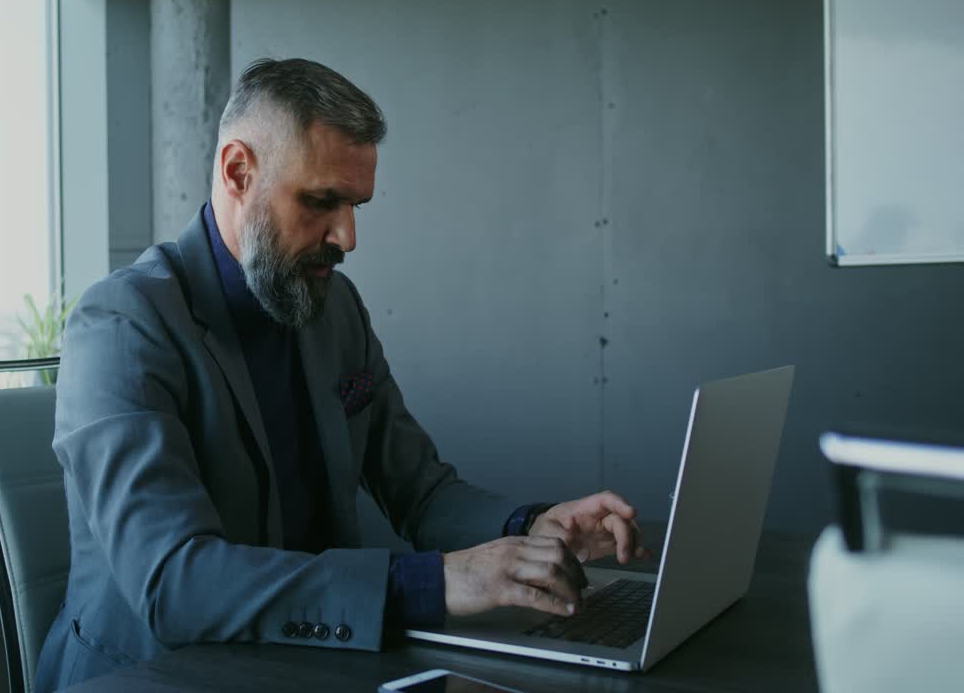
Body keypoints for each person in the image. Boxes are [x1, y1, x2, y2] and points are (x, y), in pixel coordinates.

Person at [34, 58, 648, 692]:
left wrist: (530, 528)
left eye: (354, 205)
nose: (348, 236)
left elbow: (422, 492)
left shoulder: (332, 307)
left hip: (307, 666)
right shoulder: (121, 325)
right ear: (238, 171)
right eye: (321, 201)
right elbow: (175, 584)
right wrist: (436, 580)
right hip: (152, 676)